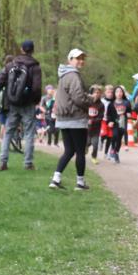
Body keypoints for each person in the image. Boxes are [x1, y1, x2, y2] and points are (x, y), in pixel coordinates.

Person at [49, 48, 98, 190]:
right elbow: (78, 98)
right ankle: (80, 183)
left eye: (83, 58)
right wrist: (91, 100)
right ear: (70, 60)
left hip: (63, 119)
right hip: (75, 119)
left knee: (69, 151)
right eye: (78, 58)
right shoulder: (73, 75)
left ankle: (55, 179)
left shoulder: (63, 75)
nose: (81, 61)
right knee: (80, 151)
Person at [0, 40, 42, 170]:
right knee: (29, 133)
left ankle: (3, 161)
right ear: (32, 50)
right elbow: (37, 87)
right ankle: (28, 163)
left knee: (8, 132)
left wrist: (9, 92)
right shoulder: (35, 66)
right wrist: (35, 100)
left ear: (21, 49)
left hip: (13, 103)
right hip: (28, 104)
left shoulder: (11, 65)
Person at [110, 85, 131, 162]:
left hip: (123, 122)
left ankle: (116, 153)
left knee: (119, 140)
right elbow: (109, 114)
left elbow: (129, 111)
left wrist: (129, 114)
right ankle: (112, 148)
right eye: (117, 91)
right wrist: (110, 121)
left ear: (123, 93)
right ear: (114, 93)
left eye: (121, 91)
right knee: (114, 135)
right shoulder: (112, 103)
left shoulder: (126, 102)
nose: (119, 93)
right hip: (115, 123)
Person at [86, 85, 104, 164]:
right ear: (91, 93)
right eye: (95, 93)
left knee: (95, 144)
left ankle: (94, 157)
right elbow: (83, 113)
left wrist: (93, 120)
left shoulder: (101, 105)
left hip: (96, 129)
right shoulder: (87, 103)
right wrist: (87, 120)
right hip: (87, 129)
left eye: (98, 93)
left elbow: (101, 116)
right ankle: (85, 149)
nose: (96, 94)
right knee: (87, 143)